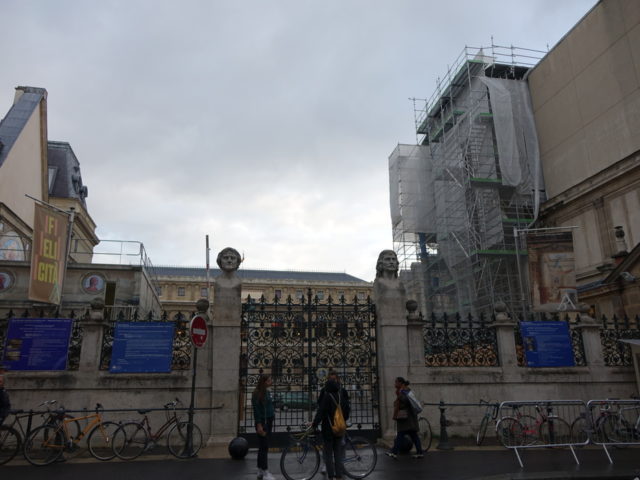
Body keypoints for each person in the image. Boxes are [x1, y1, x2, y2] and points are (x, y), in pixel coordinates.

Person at [312, 375, 351, 480]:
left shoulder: (327, 397)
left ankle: (330, 476)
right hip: (339, 429)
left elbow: (321, 412)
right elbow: (347, 410)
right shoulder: (340, 396)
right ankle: (338, 476)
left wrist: (314, 424)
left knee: (328, 454)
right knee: (337, 453)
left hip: (328, 429)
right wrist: (342, 420)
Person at [385, 377, 424, 459]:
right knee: (413, 436)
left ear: (401, 383)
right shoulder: (402, 390)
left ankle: (394, 452)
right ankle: (419, 452)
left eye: (396, 382)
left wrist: (399, 395)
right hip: (407, 419)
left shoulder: (405, 390)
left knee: (401, 435)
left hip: (407, 419)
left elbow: (405, 401)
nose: (395, 384)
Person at [252, 374, 275, 480]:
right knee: (264, 447)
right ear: (264, 382)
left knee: (263, 447)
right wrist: (259, 424)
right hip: (263, 422)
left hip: (268, 421)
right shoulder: (256, 393)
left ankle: (260, 470)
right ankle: (265, 472)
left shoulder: (267, 392)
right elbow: (256, 410)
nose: (271, 381)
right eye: (269, 380)